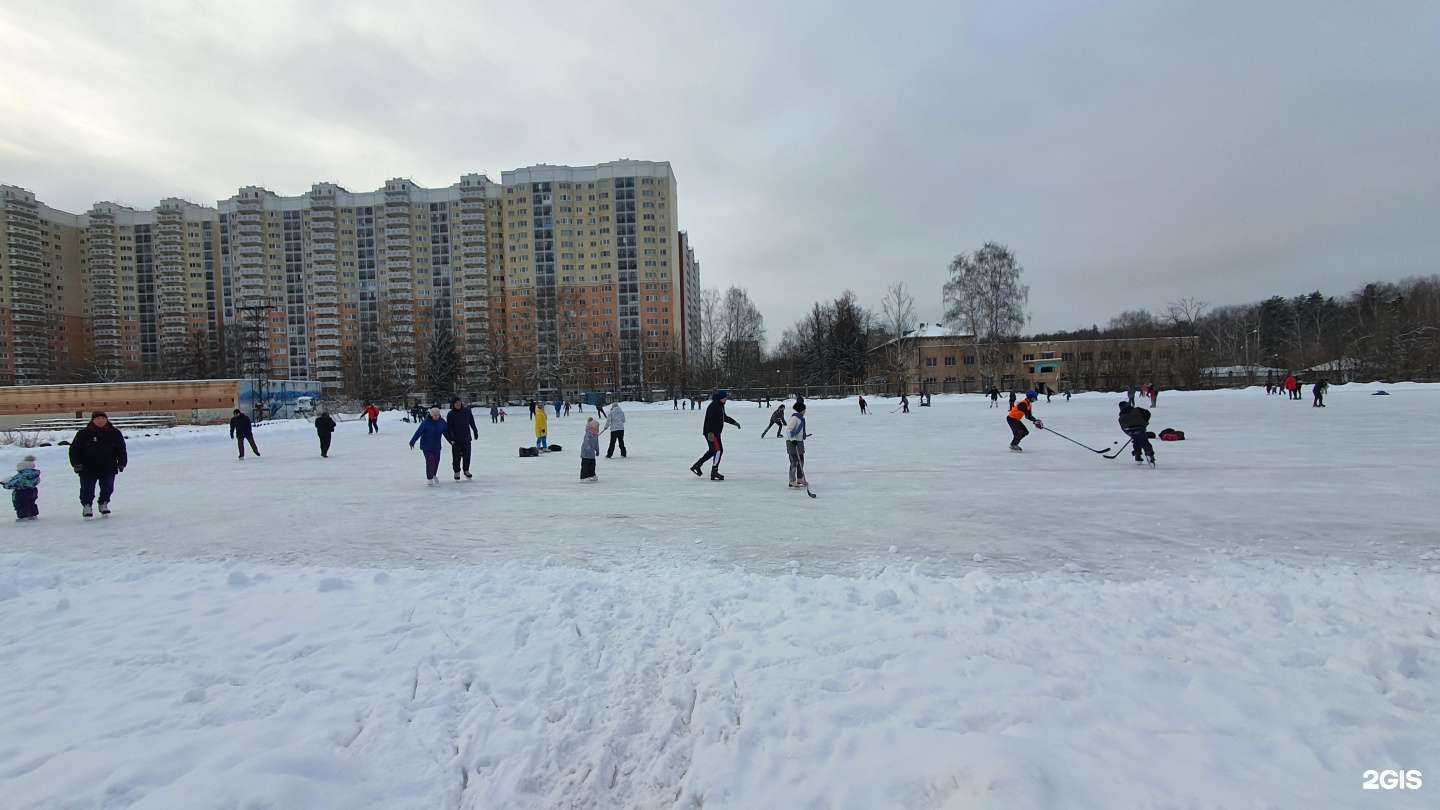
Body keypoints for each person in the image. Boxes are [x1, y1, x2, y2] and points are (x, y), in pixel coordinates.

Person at [69, 411, 126, 518]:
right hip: (88, 467)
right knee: (87, 488)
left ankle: (103, 503)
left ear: (106, 419)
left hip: (108, 466)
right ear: (93, 420)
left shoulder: (114, 432)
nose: (100, 421)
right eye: (98, 418)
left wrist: (122, 462)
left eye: (103, 418)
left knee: (108, 487)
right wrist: (76, 464)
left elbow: (121, 449)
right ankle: (87, 505)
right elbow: (74, 450)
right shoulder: (84, 433)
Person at [690, 390, 741, 480]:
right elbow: (708, 419)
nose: (726, 399)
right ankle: (714, 472)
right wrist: (710, 432)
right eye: (725, 398)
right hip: (711, 433)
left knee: (712, 451)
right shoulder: (713, 406)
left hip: (715, 433)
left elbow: (724, 417)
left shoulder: (720, 406)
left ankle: (697, 466)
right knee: (718, 450)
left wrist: (734, 422)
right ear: (720, 398)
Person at [408, 407, 451, 486]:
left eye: (438, 415)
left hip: (437, 446)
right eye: (435, 415)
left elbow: (446, 433)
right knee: (430, 461)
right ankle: (429, 478)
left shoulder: (442, 422)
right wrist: (412, 441)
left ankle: (433, 474)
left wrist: (451, 441)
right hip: (426, 446)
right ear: (431, 415)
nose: (436, 416)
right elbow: (418, 432)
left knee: (436, 462)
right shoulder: (426, 422)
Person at [446, 398, 479, 480]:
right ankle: (456, 472)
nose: (458, 404)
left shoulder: (467, 411)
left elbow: (472, 422)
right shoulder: (450, 414)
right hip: (456, 439)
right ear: (453, 404)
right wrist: (451, 439)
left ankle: (466, 470)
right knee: (456, 457)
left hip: (466, 438)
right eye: (456, 403)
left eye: (459, 403)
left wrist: (475, 431)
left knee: (467, 455)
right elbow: (449, 428)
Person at [3, 455, 41, 521]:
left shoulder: (22, 476)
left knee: (20, 505)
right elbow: (37, 481)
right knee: (31, 503)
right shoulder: (34, 474)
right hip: (33, 491)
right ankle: (33, 515)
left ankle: (23, 517)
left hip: (21, 492)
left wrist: (5, 484)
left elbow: (13, 483)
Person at [1117, 401, 1155, 466]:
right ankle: (1149, 454)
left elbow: (1123, 428)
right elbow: (1147, 413)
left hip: (1130, 430)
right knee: (1144, 441)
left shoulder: (1121, 417)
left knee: (1136, 441)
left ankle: (1138, 457)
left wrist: (1130, 434)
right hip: (1140, 428)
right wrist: (1145, 422)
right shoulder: (1137, 409)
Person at [784, 401, 808, 489]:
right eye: (804, 409)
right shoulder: (795, 418)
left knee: (801, 460)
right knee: (794, 461)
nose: (805, 411)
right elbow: (789, 430)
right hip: (792, 442)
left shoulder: (801, 418)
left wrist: (803, 435)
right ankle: (792, 480)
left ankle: (800, 478)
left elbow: (799, 430)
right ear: (801, 410)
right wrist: (793, 440)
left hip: (799, 442)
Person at [580, 417, 601, 481]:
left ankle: (592, 475)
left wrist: (597, 451)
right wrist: (588, 448)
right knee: (585, 465)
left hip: (592, 453)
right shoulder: (588, 434)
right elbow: (586, 443)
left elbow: (596, 444)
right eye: (596, 428)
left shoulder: (595, 435)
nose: (597, 429)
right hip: (586, 453)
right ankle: (584, 477)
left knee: (592, 465)